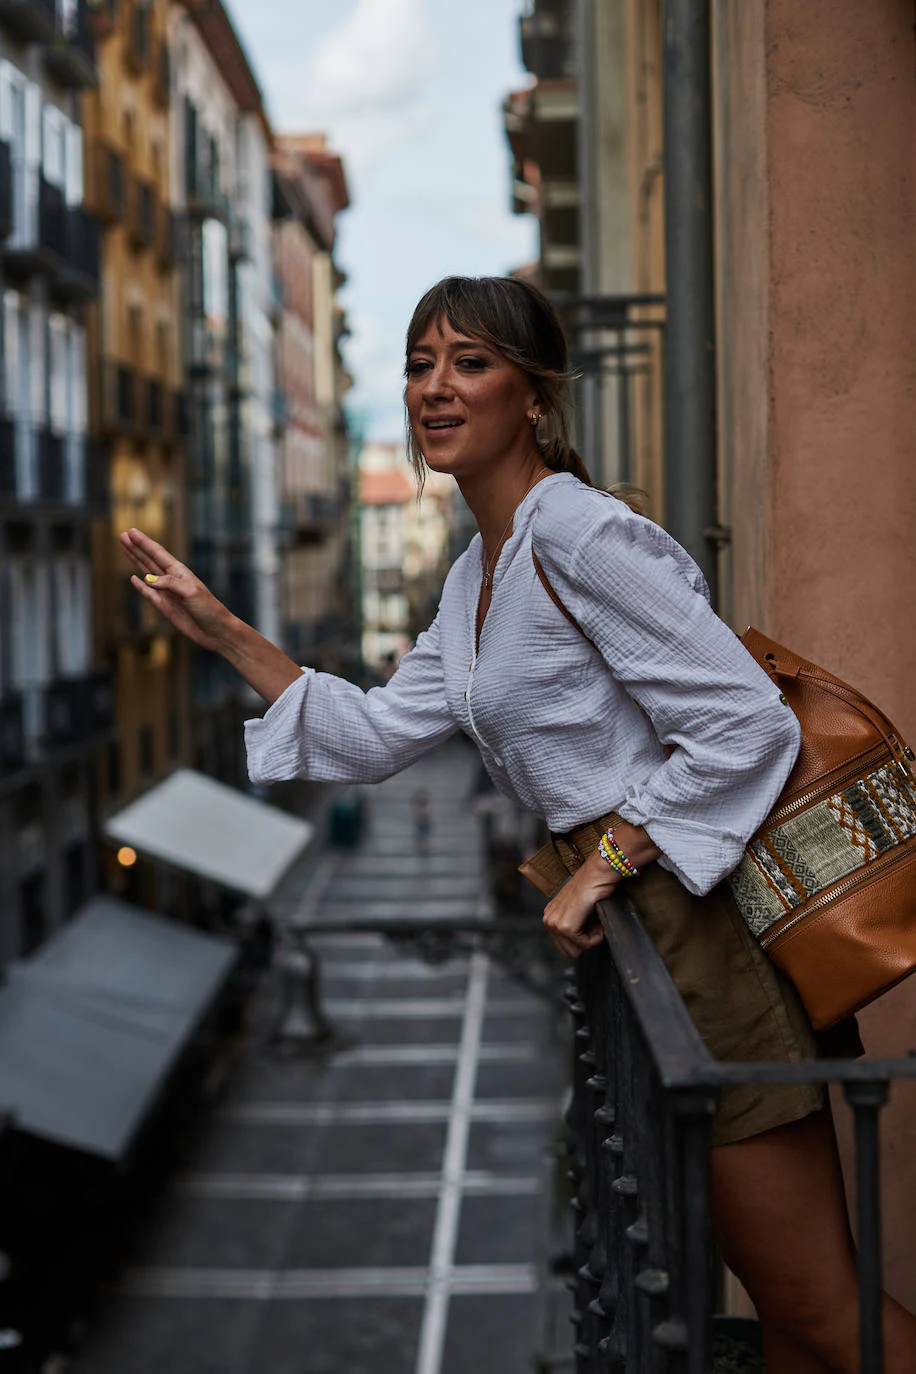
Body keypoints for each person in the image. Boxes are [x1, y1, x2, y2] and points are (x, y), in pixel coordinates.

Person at [120, 275, 916, 1372]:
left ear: (534, 397)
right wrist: (222, 632)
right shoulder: (481, 573)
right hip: (661, 947)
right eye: (418, 364)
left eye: (469, 362)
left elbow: (741, 724)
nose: (434, 388)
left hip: (702, 948)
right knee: (784, 1318)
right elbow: (375, 732)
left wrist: (604, 860)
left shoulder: (578, 535)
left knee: (823, 1312)